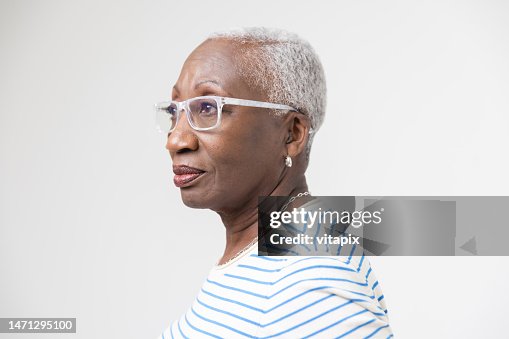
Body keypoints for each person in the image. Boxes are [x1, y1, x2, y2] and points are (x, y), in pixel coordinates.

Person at [156, 27, 392, 338]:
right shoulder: (275, 257)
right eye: (176, 112)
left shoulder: (310, 276)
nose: (175, 140)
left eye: (208, 108)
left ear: (292, 134)